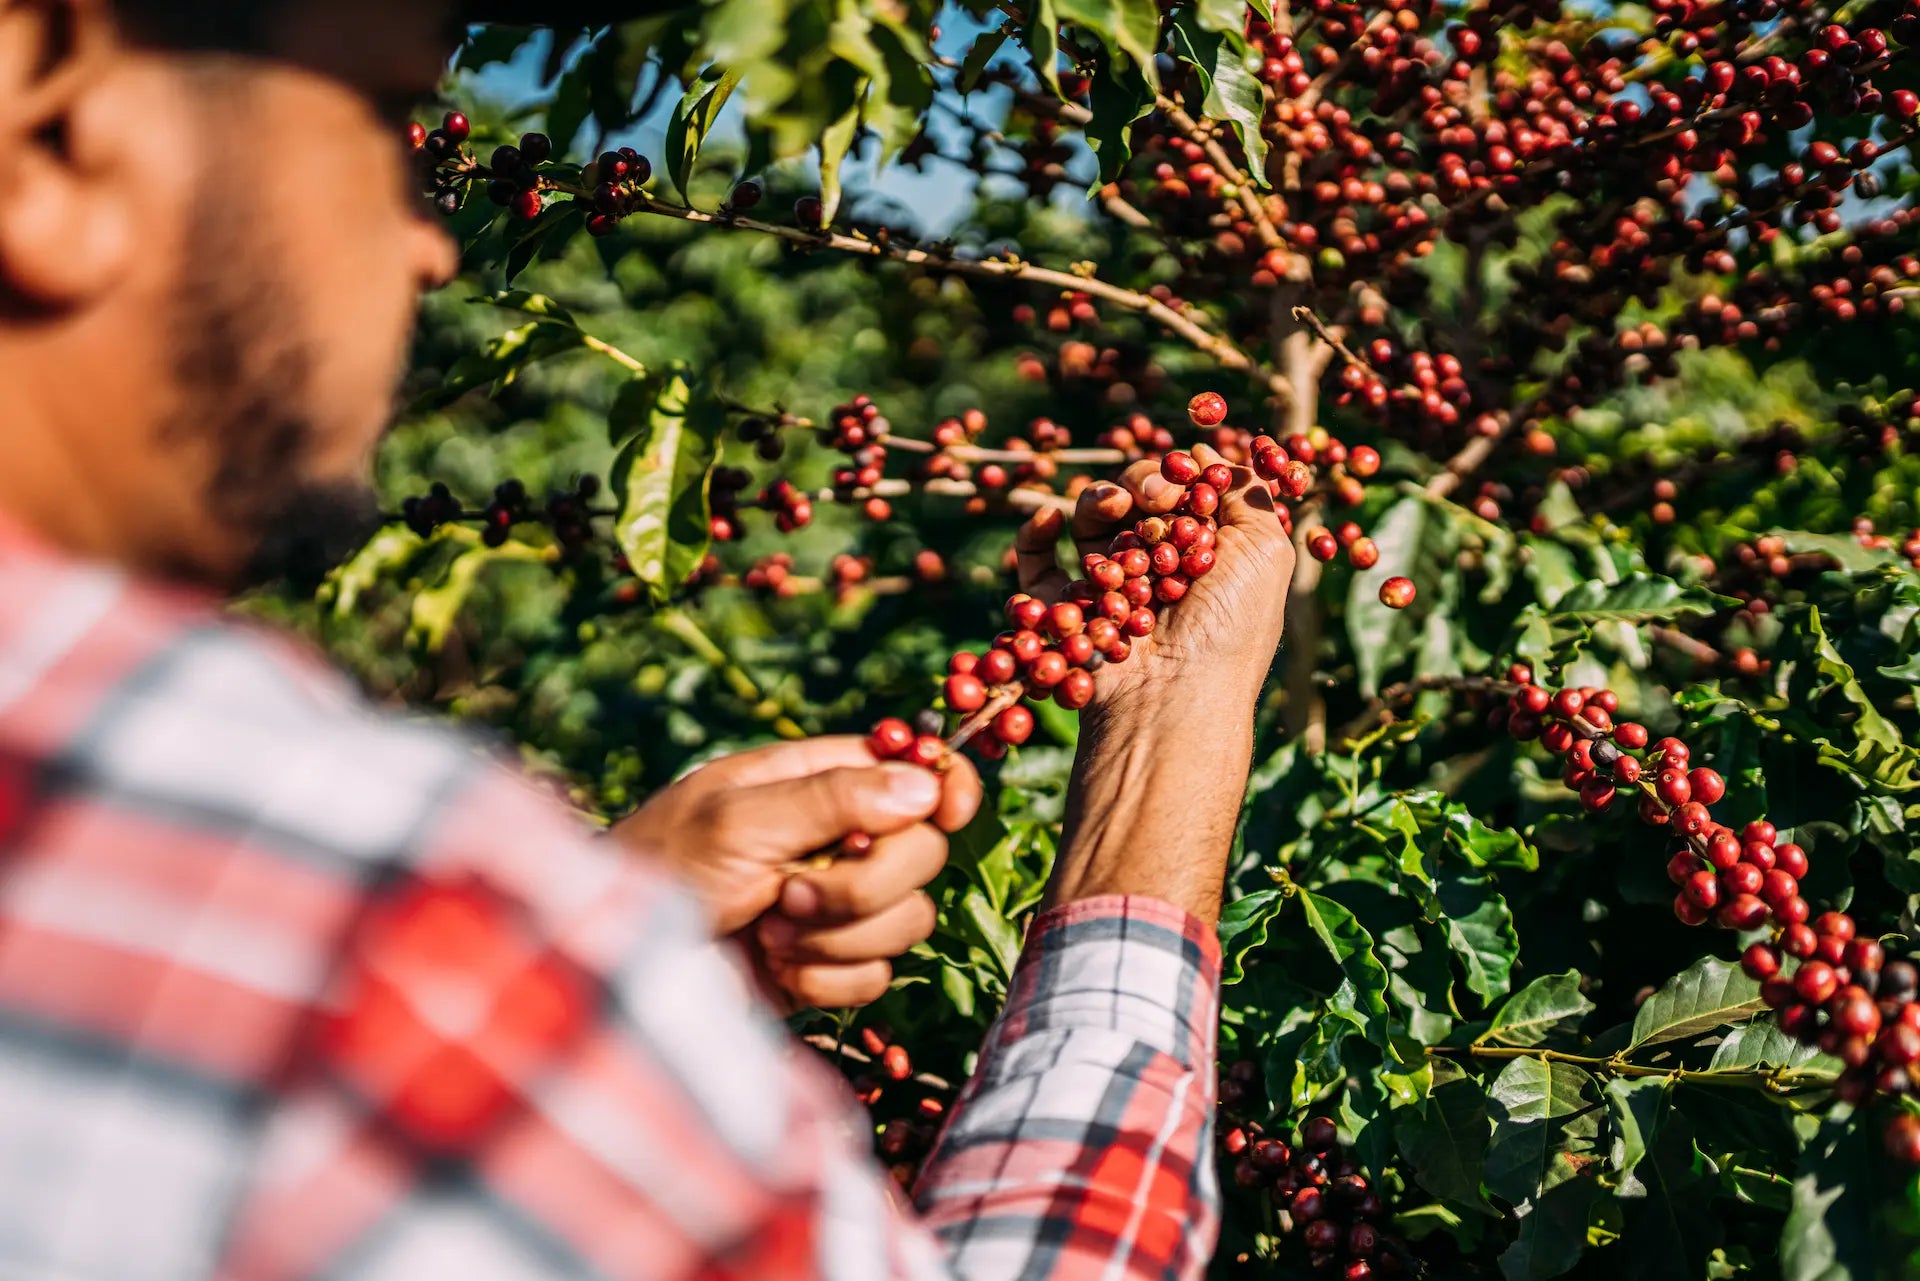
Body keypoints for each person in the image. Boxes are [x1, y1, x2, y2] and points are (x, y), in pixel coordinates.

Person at [0, 1, 1296, 1278]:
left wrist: (583, 976)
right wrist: (1170, 744)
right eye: (386, 118)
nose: (432, 247)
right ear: (47, 120)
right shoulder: (346, 895)